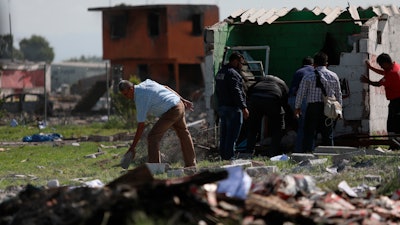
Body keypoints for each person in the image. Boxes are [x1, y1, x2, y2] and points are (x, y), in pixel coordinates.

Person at [118, 79, 197, 168]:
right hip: (178, 103)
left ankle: (155, 168)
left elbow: (141, 126)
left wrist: (132, 148)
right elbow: (166, 87)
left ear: (131, 89)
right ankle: (191, 165)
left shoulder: (140, 98)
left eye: (126, 94)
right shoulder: (147, 83)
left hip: (172, 111)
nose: (126, 97)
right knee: (184, 133)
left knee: (152, 137)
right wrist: (182, 99)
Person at [294, 52, 342, 152]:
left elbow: (301, 93)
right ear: (326, 63)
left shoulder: (308, 76)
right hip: (328, 108)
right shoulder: (334, 76)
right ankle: (329, 156)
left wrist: (297, 107)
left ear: (314, 64)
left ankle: (307, 155)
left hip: (313, 108)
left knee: (309, 133)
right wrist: (339, 110)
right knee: (328, 134)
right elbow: (338, 94)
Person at [215, 52, 249, 160]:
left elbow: (217, 91)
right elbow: (236, 91)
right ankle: (230, 158)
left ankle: (223, 157)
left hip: (222, 107)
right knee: (232, 135)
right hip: (233, 108)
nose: (241, 65)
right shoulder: (233, 73)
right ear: (235, 61)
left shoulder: (220, 72)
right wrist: (244, 107)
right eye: (241, 63)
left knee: (224, 134)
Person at [246, 75, 289, 157]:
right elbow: (285, 102)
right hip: (273, 99)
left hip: (255, 100)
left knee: (253, 128)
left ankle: (249, 151)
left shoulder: (259, 81)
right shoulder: (282, 84)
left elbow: (249, 92)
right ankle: (273, 152)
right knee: (278, 127)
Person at [361, 53, 400, 135]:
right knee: (394, 121)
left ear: (386, 63)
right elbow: (384, 72)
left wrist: (367, 81)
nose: (381, 67)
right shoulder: (395, 66)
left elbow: (378, 84)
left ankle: (394, 142)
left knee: (393, 123)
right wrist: (371, 68)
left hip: (397, 101)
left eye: (381, 65)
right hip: (396, 100)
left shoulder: (391, 73)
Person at [288, 56, 314, 153]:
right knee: (308, 126)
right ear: (312, 64)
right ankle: (307, 150)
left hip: (292, 100)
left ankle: (299, 149)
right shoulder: (312, 71)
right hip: (302, 100)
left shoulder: (298, 71)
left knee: (301, 126)